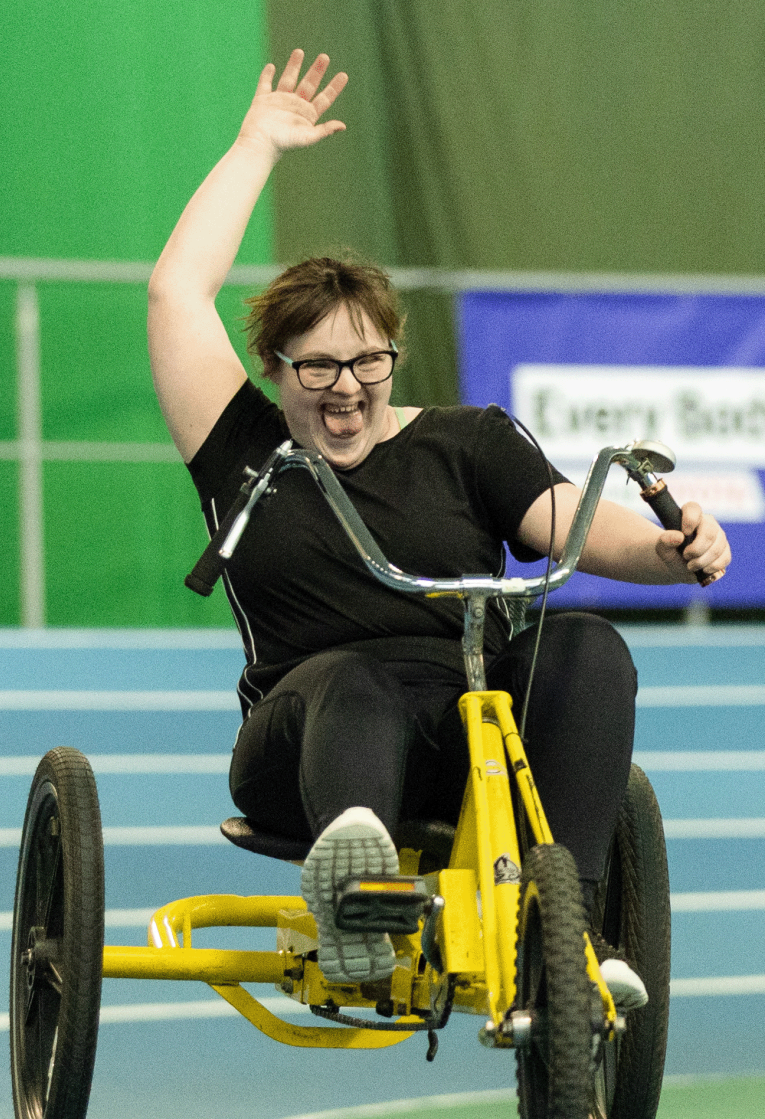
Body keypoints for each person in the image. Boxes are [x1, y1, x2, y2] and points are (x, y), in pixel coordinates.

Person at [147, 50, 730, 996]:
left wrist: (672, 551)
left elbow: (566, 522)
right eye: (318, 367)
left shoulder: (470, 445)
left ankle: (562, 927)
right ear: (274, 369)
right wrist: (258, 144)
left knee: (585, 647)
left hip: (471, 725)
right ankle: (355, 903)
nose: (346, 388)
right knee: (357, 680)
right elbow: (177, 293)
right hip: (307, 732)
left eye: (366, 362)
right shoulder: (243, 448)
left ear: (393, 354)